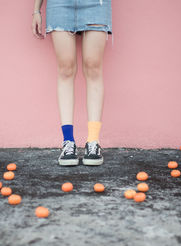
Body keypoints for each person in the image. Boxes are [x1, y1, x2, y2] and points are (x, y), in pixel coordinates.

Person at [31, 0, 112, 166]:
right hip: (60, 4)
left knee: (93, 68)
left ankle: (93, 142)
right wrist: (36, 10)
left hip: (96, 4)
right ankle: (68, 142)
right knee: (66, 70)